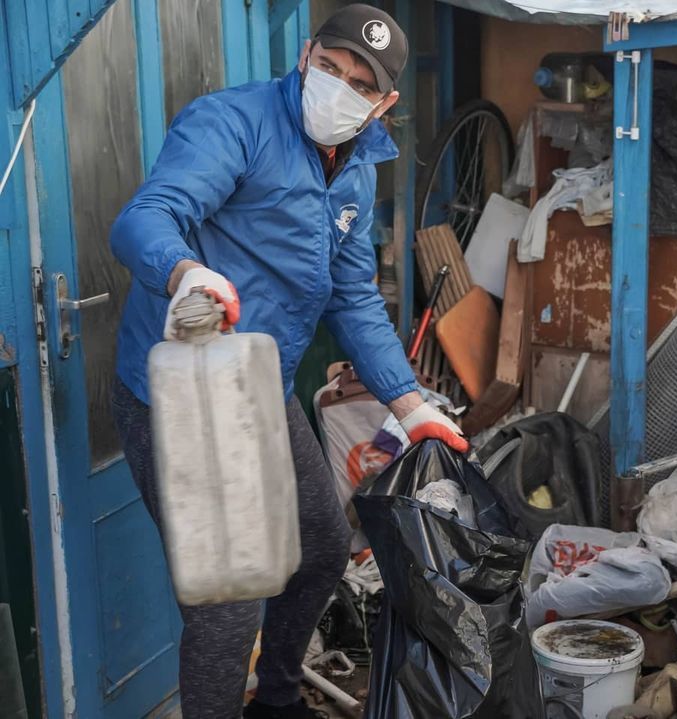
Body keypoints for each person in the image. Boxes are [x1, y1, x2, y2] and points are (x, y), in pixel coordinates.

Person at [109, 6, 466, 717]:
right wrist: (185, 273)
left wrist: (409, 401)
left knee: (322, 542)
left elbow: (352, 291)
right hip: (178, 396)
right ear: (306, 54)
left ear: (384, 102)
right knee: (229, 592)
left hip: (255, 389)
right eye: (329, 66)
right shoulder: (232, 124)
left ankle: (273, 698)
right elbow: (143, 218)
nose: (338, 87)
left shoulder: (357, 165)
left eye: (360, 83)